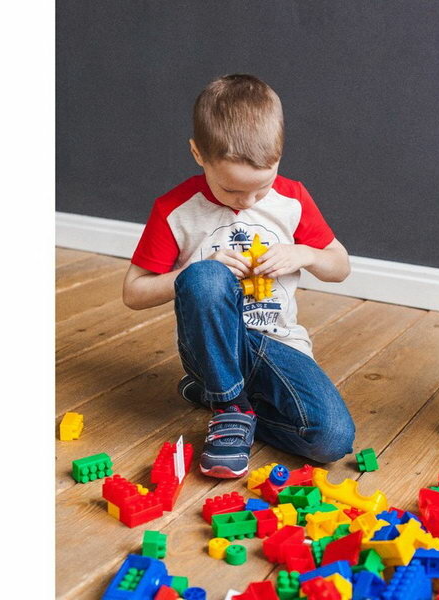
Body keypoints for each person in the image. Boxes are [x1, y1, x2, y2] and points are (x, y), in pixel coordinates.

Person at [123, 74, 355, 478]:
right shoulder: (176, 209)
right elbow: (133, 292)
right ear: (198, 154)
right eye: (231, 190)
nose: (246, 202)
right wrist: (191, 272)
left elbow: (340, 267)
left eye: (261, 188)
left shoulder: (292, 199)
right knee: (206, 278)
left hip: (278, 344)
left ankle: (218, 397)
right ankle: (230, 407)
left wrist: (304, 254)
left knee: (332, 440)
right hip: (210, 348)